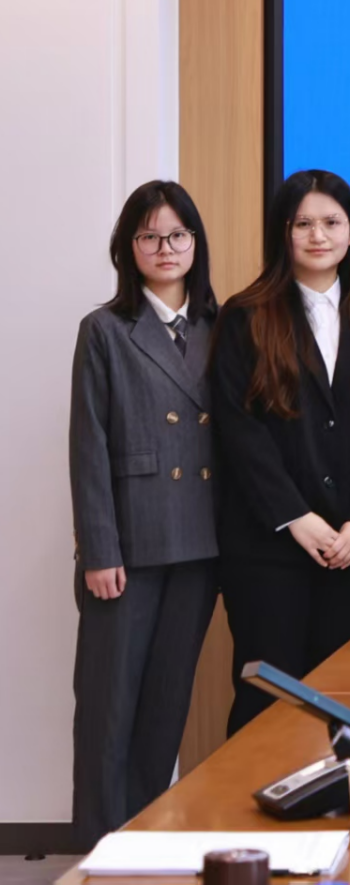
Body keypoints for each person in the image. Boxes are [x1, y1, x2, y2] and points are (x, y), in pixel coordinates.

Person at [212, 170, 350, 734]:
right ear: (283, 233)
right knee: (268, 699)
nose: (318, 235)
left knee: (335, 701)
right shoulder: (245, 315)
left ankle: (327, 796)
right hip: (268, 545)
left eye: (331, 222)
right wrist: (295, 515)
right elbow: (238, 430)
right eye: (303, 224)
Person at [68, 181, 221, 845]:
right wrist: (99, 550)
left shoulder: (221, 326)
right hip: (129, 545)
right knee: (108, 708)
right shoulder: (105, 329)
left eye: (178, 235)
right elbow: (88, 445)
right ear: (128, 247)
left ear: (196, 244)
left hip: (201, 544)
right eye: (150, 236)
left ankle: (144, 841)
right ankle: (98, 852)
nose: (165, 248)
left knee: (165, 707)